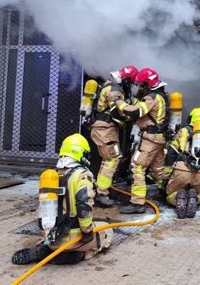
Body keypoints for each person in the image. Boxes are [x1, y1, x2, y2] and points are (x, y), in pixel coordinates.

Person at [11, 133, 113, 265]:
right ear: (80, 153)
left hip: (51, 237)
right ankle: (76, 255)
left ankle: (46, 248)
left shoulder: (52, 175)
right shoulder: (82, 175)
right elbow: (83, 205)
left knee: (55, 239)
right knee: (107, 230)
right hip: (72, 240)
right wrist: (87, 233)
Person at [114, 67, 169, 214]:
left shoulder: (151, 98)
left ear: (146, 84)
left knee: (138, 167)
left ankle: (137, 203)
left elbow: (135, 111)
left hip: (150, 139)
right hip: (159, 138)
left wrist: (119, 102)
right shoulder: (161, 95)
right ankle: (169, 193)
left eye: (141, 85)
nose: (139, 88)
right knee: (159, 170)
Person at [88, 65, 138, 208]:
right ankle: (101, 193)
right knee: (111, 159)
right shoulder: (115, 89)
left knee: (109, 159)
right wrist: (135, 111)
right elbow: (118, 109)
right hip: (105, 129)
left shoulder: (110, 85)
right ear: (127, 79)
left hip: (105, 129)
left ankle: (103, 189)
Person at [165, 107, 200, 218]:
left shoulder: (182, 132)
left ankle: (178, 197)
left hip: (181, 171)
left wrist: (165, 178)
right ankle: (194, 198)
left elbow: (170, 155)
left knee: (169, 194)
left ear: (191, 118)